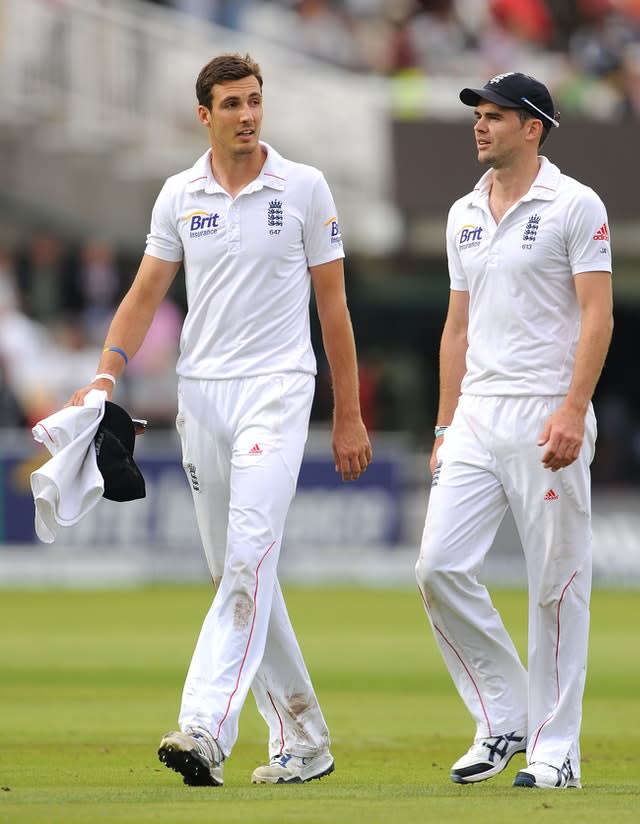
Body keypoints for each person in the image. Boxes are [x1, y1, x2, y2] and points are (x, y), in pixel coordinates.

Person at [66, 53, 372, 787]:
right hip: (202, 392)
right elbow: (144, 294)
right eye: (231, 104)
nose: (247, 116)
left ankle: (204, 725)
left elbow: (333, 306)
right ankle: (305, 737)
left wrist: (350, 413)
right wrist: (106, 373)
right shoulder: (179, 193)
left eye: (255, 102)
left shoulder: (303, 187)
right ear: (204, 115)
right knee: (233, 571)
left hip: (279, 387)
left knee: (249, 556)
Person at [415, 72, 613, 790]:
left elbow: (598, 315)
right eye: (479, 115)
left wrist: (571, 409)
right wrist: (444, 421)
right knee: (436, 566)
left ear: (533, 127)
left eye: (495, 116)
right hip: (475, 413)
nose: (481, 125)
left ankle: (555, 753)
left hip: (545, 409)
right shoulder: (463, 211)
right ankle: (504, 715)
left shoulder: (574, 204)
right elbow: (457, 326)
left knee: (556, 585)